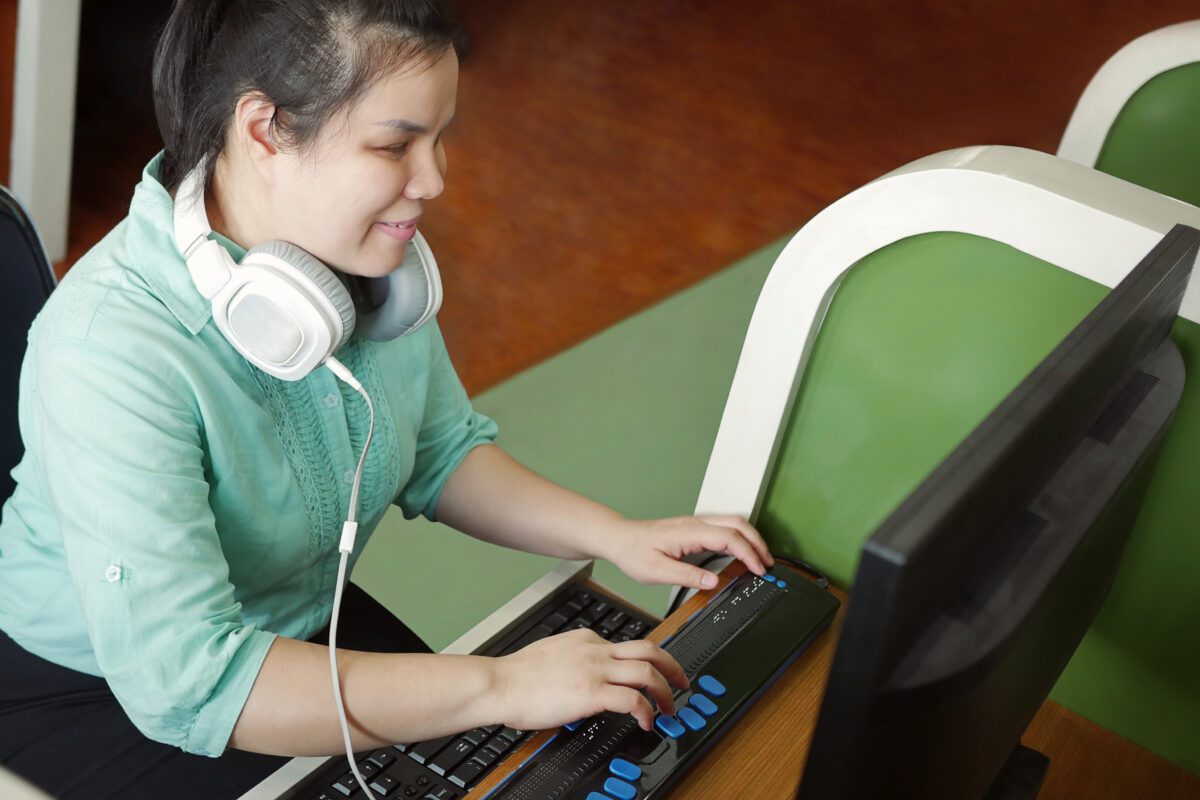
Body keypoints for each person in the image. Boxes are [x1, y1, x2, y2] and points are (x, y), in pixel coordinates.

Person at [0, 1, 774, 797]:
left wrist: (617, 535)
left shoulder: (360, 267)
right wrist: (501, 685)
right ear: (264, 129)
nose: (434, 180)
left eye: (438, 139)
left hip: (296, 629)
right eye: (395, 144)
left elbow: (441, 449)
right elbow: (192, 680)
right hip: (101, 688)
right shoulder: (109, 347)